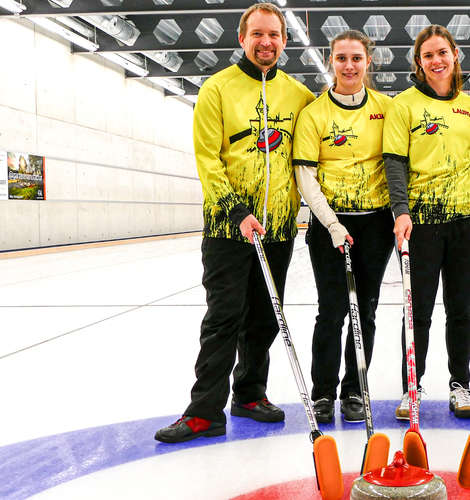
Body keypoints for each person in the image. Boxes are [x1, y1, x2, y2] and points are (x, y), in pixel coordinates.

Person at [155, 2, 315, 443]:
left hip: (278, 228)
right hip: (229, 229)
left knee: (264, 318)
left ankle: (249, 394)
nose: (267, 42)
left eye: (275, 35)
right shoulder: (217, 89)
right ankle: (205, 410)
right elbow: (208, 160)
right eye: (258, 34)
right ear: (242, 38)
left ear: (285, 41)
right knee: (224, 318)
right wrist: (238, 212)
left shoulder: (299, 96)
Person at [383, 25, 470, 421]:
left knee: (461, 309)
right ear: (419, 62)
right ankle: (413, 387)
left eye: (442, 52)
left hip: (468, 221)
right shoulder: (403, 105)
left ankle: (460, 385)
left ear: (455, 54)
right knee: (417, 310)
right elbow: (394, 161)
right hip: (420, 223)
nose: (436, 61)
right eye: (427, 55)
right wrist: (401, 210)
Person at [292, 30, 394, 424]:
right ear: (330, 61)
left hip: (375, 226)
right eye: (341, 59)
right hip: (328, 226)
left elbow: (397, 164)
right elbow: (305, 175)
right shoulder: (314, 113)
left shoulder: (387, 108)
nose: (349, 66)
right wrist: (333, 225)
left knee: (364, 311)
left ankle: (355, 390)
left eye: (356, 58)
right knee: (331, 311)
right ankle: (323, 393)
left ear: (368, 61)